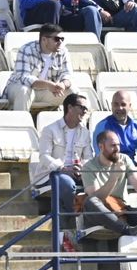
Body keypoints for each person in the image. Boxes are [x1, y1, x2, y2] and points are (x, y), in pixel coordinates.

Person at [33, 93, 93, 239]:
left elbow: (89, 157)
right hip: (51, 174)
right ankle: (76, 218)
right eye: (82, 107)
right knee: (66, 182)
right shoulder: (50, 129)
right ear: (70, 107)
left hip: (76, 173)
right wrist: (62, 168)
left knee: (96, 182)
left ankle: (87, 218)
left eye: (86, 108)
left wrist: (81, 168)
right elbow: (44, 156)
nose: (85, 111)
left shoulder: (85, 133)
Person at [6, 23, 73, 111]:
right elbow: (23, 77)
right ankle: (20, 123)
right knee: (24, 90)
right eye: (56, 39)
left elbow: (67, 74)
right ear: (44, 39)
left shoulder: (63, 51)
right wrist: (48, 85)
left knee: (73, 92)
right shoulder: (26, 50)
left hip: (46, 91)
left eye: (62, 39)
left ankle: (75, 124)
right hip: (19, 88)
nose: (60, 42)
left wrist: (63, 84)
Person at [96, 89, 137, 168]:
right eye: (116, 104)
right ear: (111, 105)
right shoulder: (102, 126)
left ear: (129, 106)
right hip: (109, 170)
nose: (119, 108)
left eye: (123, 104)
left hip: (131, 170)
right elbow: (99, 155)